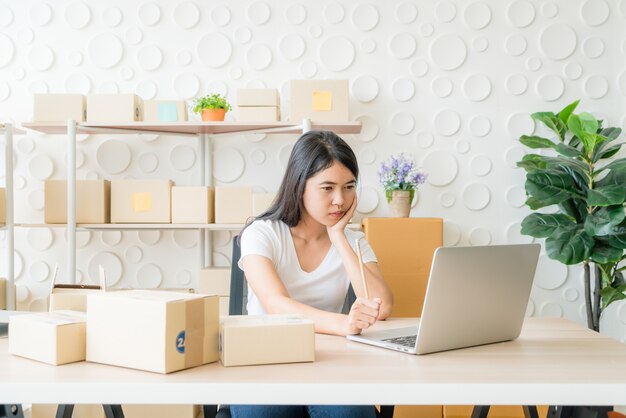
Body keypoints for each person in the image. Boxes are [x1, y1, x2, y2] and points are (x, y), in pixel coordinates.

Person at [231, 130, 393, 418]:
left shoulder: (353, 240)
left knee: (350, 414)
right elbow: (275, 304)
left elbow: (382, 305)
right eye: (327, 188)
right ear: (300, 186)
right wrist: (345, 324)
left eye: (349, 187)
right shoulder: (262, 233)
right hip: (267, 358)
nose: (340, 201)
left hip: (331, 362)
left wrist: (339, 237)